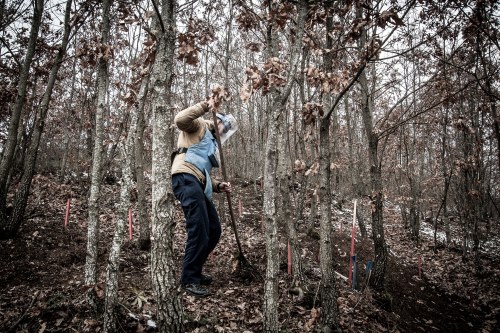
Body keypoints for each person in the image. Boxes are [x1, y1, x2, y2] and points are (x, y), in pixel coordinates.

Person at [171, 100, 237, 297]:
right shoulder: (198, 125)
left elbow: (202, 171)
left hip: (197, 183)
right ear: (218, 121)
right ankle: (189, 278)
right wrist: (205, 105)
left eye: (227, 131)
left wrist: (218, 186)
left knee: (214, 230)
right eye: (224, 127)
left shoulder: (211, 140)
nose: (224, 132)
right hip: (185, 178)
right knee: (199, 229)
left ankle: (195, 271)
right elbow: (179, 120)